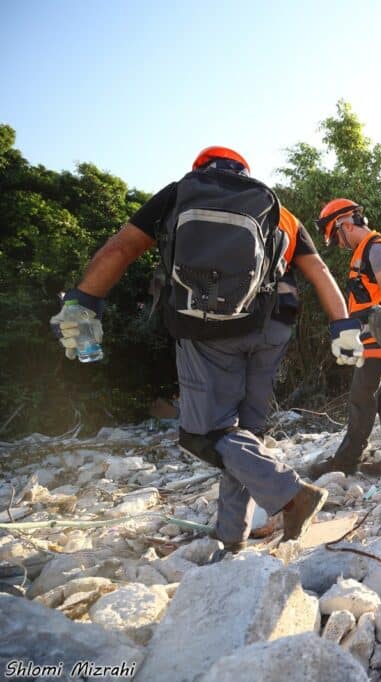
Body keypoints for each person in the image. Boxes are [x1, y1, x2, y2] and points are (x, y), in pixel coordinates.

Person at [51, 146, 362, 551]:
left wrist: (83, 303)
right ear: (244, 173)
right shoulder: (276, 210)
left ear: (201, 169)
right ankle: (232, 537)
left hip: (207, 330)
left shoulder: (181, 193)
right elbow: (318, 269)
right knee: (245, 435)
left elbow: (120, 249)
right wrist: (343, 326)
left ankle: (291, 495)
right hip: (272, 328)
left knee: (202, 435)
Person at [309, 199, 381, 478]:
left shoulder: (379, 250)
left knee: (361, 397)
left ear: (345, 224)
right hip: (371, 340)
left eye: (336, 236)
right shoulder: (364, 252)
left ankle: (347, 460)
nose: (338, 244)